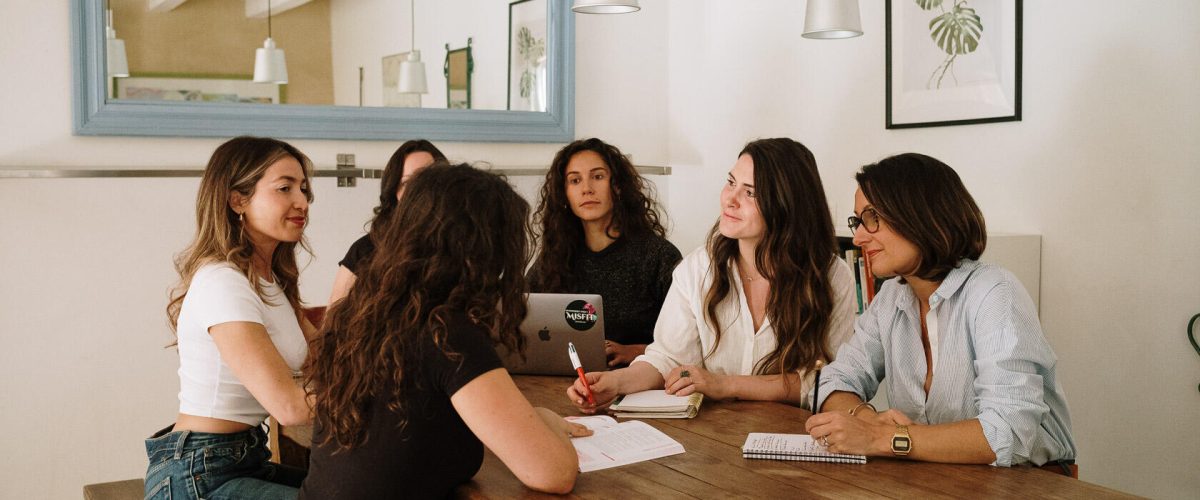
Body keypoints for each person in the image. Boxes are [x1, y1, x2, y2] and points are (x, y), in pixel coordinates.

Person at [301, 164, 591, 499]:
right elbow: (554, 473)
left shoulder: (363, 314)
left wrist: (532, 419)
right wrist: (551, 426)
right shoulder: (447, 335)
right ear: (478, 252)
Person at [806, 153, 1076, 468]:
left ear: (920, 214)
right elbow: (834, 380)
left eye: (872, 217)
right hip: (940, 476)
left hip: (1031, 483)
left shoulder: (995, 293)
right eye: (858, 220)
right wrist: (863, 418)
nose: (858, 236)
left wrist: (882, 438)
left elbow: (1009, 433)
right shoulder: (891, 297)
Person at [568, 138, 856, 410]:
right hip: (715, 437)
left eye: (750, 192)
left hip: (796, 437)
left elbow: (824, 382)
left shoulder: (831, 276)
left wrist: (725, 385)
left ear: (786, 204)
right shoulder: (697, 269)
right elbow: (667, 358)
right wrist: (614, 383)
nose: (730, 199)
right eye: (731, 182)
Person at [144, 136, 316, 500]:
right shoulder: (223, 283)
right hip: (197, 476)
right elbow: (291, 408)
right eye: (284, 188)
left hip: (243, 459)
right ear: (238, 200)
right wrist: (376, 396)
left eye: (303, 188)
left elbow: (324, 354)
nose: (301, 200)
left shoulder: (270, 281)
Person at [528, 138, 682, 367]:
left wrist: (637, 351)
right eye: (575, 180)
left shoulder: (658, 256)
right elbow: (520, 317)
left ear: (618, 186)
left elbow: (690, 340)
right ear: (564, 194)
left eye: (598, 176)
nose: (587, 188)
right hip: (566, 380)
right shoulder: (554, 257)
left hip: (640, 381)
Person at [327, 139, 447, 306]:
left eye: (427, 179)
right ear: (393, 193)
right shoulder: (365, 250)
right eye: (407, 183)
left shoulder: (464, 247)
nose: (417, 190)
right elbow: (332, 324)